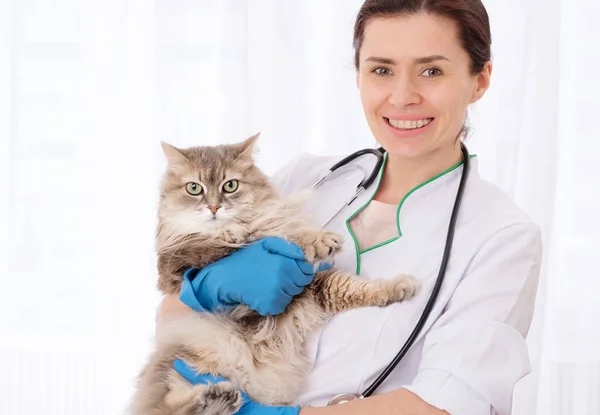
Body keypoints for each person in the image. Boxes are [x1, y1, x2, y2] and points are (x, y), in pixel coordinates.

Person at [156, 0, 543, 414]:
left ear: (480, 80)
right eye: (381, 70)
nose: (402, 96)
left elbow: (446, 403)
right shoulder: (300, 182)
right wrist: (208, 289)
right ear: (358, 76)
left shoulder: (501, 235)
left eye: (432, 71)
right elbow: (171, 319)